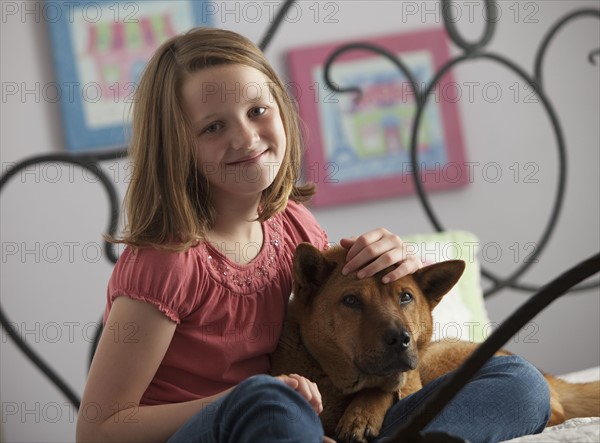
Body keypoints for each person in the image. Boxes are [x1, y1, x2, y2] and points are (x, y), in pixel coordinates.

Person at [76, 28, 550, 443]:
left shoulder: (294, 225)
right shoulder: (168, 260)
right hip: (219, 428)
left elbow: (346, 319)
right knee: (270, 401)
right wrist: (239, 399)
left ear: (281, 110)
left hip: (300, 421)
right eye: (214, 127)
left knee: (518, 381)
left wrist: (391, 262)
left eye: (257, 110)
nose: (245, 138)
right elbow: (100, 429)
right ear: (176, 146)